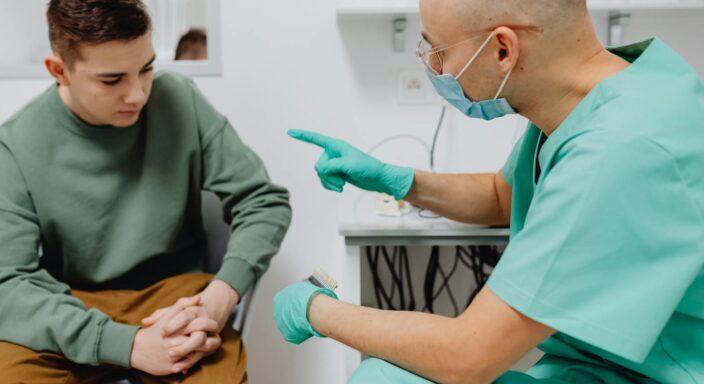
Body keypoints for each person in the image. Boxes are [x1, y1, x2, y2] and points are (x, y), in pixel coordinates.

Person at [273, 0, 704, 382]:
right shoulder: (591, 98)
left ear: (503, 49)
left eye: (436, 52)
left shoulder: (619, 147)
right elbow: (504, 196)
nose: (433, 69)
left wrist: (316, 310)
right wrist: (396, 178)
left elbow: (467, 358)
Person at [0, 1, 291, 383]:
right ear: (59, 71)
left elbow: (263, 202)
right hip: (69, 309)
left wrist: (222, 295)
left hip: (176, 301)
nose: (137, 94)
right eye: (112, 80)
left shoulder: (180, 101)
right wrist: (127, 345)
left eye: (147, 68)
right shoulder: (20, 142)